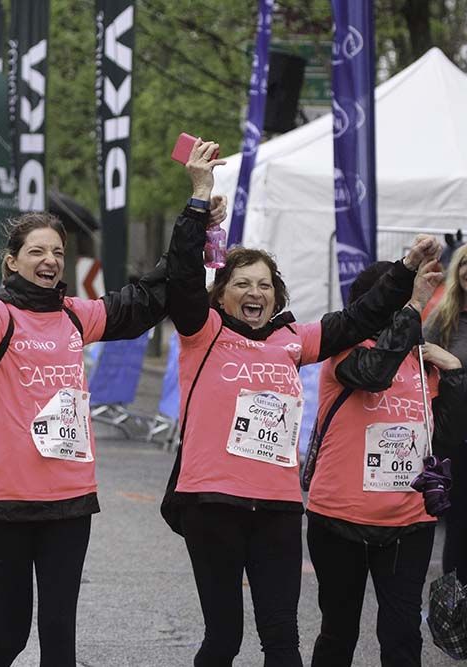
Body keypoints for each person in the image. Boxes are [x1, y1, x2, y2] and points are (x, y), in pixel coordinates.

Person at [0, 181, 224, 666]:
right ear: (12, 261)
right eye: (37, 251)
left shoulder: (76, 316)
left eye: (57, 252)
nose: (50, 260)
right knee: (11, 633)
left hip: (68, 499)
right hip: (3, 501)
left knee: (60, 636)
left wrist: (195, 215)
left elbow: (148, 294)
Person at [161, 138, 440, 666]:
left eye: (265, 285)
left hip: (278, 509)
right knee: (223, 639)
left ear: (277, 295)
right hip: (212, 504)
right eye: (242, 283)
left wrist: (405, 268)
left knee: (283, 644)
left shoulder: (295, 340)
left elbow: (359, 319)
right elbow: (181, 275)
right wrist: (199, 196)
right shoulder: (203, 332)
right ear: (221, 295)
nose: (255, 292)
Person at [305, 260, 467, 666]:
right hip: (339, 520)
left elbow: (446, 437)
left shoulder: (424, 362)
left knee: (402, 636)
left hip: (409, 522)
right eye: (394, 301)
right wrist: (411, 309)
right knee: (338, 633)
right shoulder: (343, 352)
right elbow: (375, 374)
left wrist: (454, 371)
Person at [425, 243, 467, 581]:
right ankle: (454, 604)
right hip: (456, 437)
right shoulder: (444, 317)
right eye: (465, 263)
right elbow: (418, 359)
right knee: (459, 527)